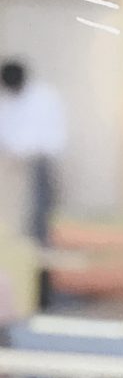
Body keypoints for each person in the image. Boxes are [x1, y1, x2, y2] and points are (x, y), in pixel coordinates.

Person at [0, 60, 66, 245]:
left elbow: (53, 132)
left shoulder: (44, 97)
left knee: (40, 206)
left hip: (41, 159)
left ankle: (40, 243)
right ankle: (23, 243)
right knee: (18, 209)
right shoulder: (6, 101)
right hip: (14, 162)